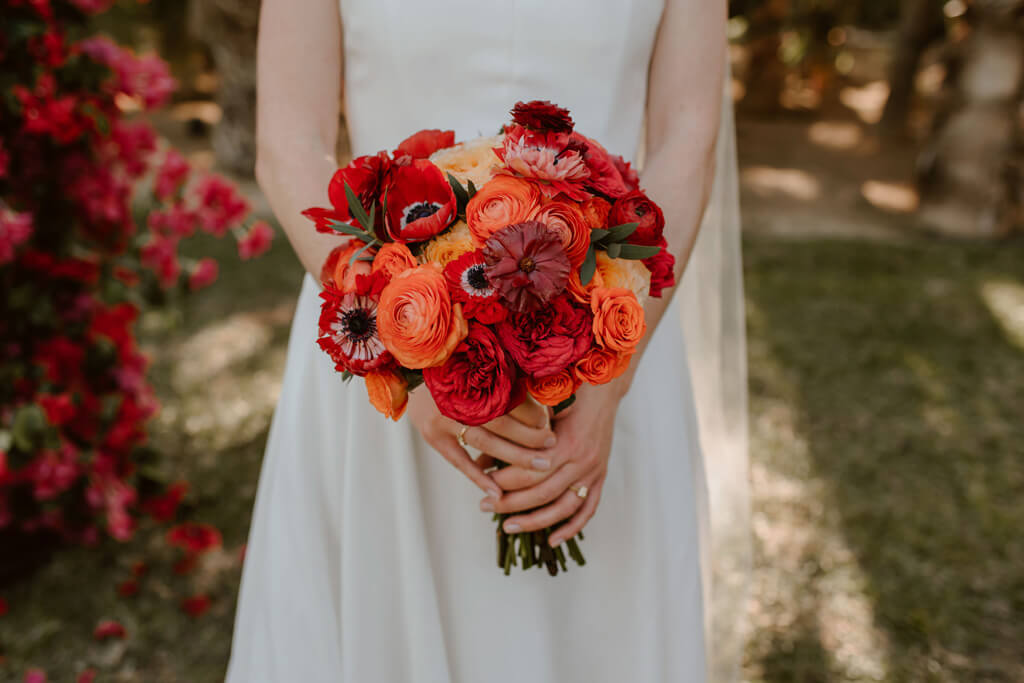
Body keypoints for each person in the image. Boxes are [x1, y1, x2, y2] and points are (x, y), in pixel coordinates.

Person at [226, 1, 749, 681]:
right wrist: (406, 353)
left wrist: (610, 380)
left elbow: (687, 137)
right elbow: (289, 145)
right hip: (384, 360)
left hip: (612, 345)